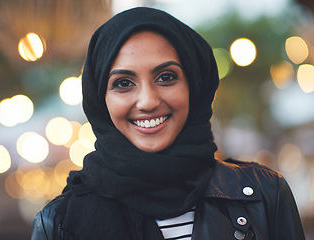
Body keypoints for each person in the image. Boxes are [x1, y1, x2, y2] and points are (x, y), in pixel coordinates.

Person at [31, 7, 305, 240]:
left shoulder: (265, 195)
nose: (148, 101)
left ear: (194, 87)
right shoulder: (57, 224)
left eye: (165, 77)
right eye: (123, 83)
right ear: (100, 100)